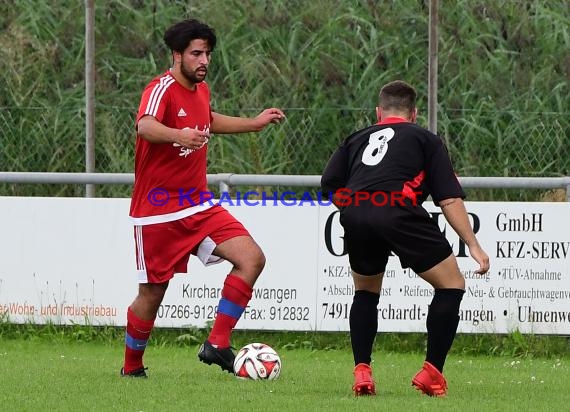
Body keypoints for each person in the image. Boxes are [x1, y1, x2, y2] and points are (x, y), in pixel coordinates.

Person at [121, 19, 285, 378]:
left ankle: (218, 343)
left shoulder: (202, 90)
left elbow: (209, 120)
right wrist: (178, 134)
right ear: (177, 54)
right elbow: (145, 125)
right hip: (158, 212)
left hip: (199, 205)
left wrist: (253, 123)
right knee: (153, 293)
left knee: (251, 258)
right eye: (196, 53)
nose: (204, 60)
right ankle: (132, 368)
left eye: (207, 54)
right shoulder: (160, 88)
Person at [321, 80, 489, 397]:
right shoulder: (426, 139)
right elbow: (449, 199)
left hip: (356, 211)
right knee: (451, 285)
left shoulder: (356, 138)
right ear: (413, 114)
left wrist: (357, 208)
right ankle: (431, 374)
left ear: (378, 112)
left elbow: (329, 183)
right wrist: (473, 245)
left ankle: (362, 372)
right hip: (398, 210)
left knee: (366, 292)